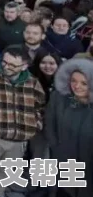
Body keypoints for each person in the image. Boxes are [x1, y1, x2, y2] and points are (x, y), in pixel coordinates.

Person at [0, 46, 46, 197]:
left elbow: (40, 106)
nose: (6, 67)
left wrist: (34, 124)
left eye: (12, 65)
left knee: (6, 171)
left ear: (25, 66)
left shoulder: (33, 82)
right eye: (4, 62)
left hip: (19, 139)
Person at [45, 58, 93, 197]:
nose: (77, 86)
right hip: (64, 159)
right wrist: (56, 146)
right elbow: (49, 122)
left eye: (84, 83)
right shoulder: (59, 98)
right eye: (73, 81)